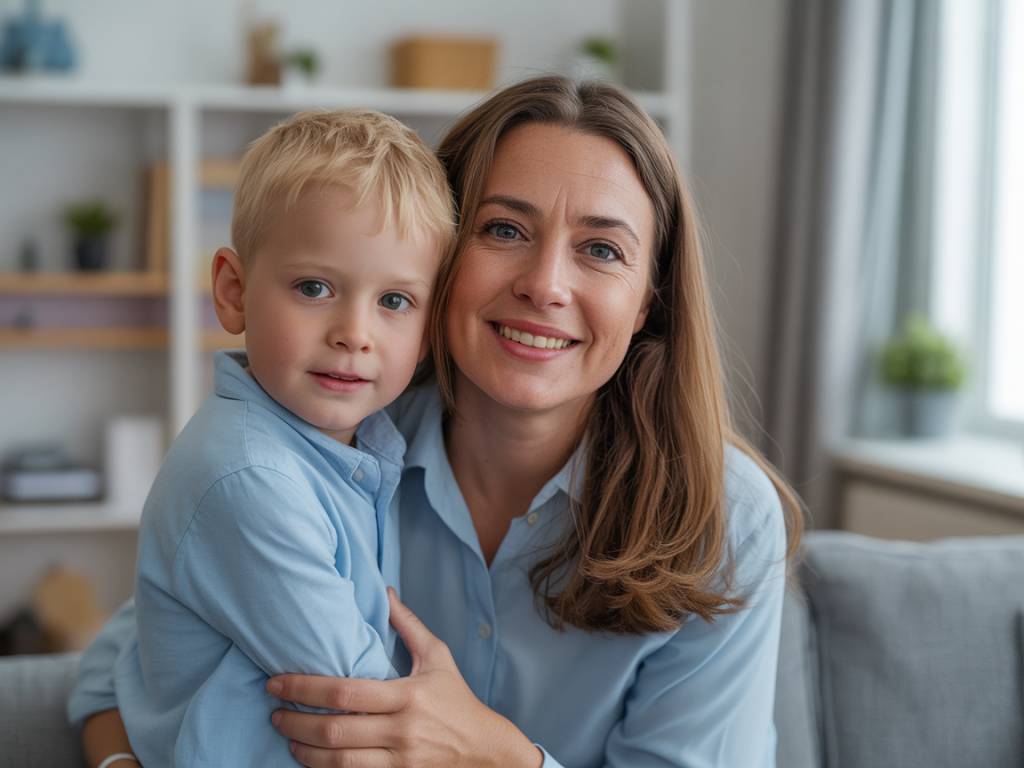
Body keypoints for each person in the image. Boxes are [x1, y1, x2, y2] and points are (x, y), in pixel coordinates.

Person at [72, 75, 803, 768]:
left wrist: (496, 755)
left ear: (646, 303)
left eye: (602, 250)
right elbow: (131, 654)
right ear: (439, 260)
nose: (545, 284)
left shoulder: (725, 520)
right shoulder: (333, 439)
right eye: (505, 229)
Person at [66, 109, 455, 767]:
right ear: (233, 290)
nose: (354, 332)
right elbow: (364, 701)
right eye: (315, 287)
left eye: (394, 301)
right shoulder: (251, 478)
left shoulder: (354, 445)